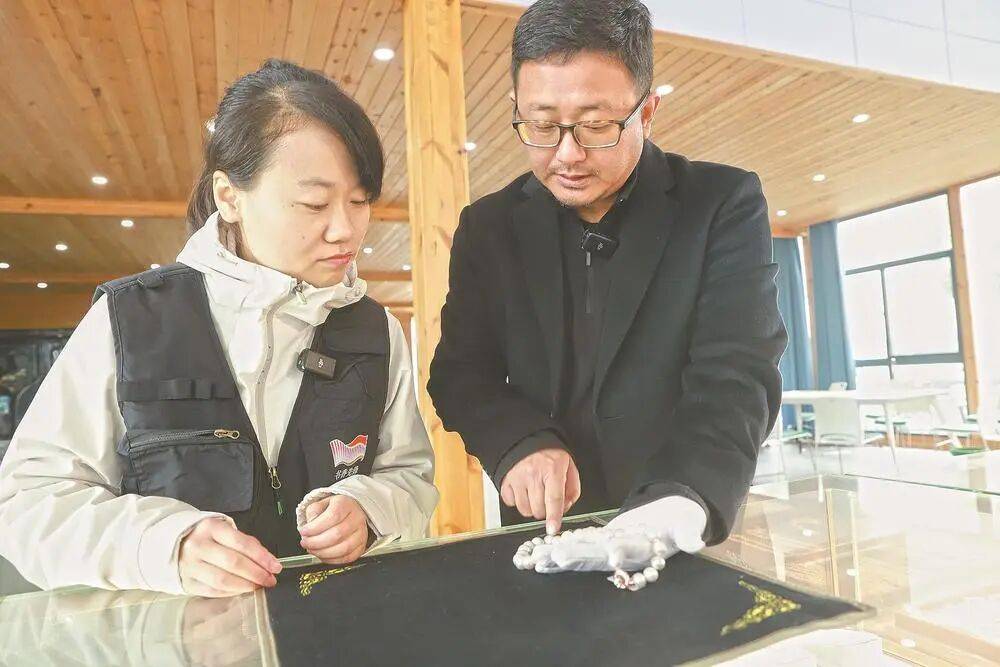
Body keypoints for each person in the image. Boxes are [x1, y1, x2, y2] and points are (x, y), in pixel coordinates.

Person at [0, 59, 438, 597]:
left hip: (339, 624)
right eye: (314, 203)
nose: (345, 229)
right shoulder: (131, 319)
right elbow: (29, 502)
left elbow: (410, 478)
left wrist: (370, 509)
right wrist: (164, 546)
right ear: (230, 197)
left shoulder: (374, 330)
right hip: (173, 631)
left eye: (360, 201)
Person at [428, 0, 786, 562]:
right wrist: (518, 443)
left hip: (679, 521)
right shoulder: (489, 227)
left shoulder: (720, 203)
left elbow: (737, 374)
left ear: (648, 112)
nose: (567, 155)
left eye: (596, 126)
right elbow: (461, 374)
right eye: (541, 126)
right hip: (545, 531)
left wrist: (680, 499)